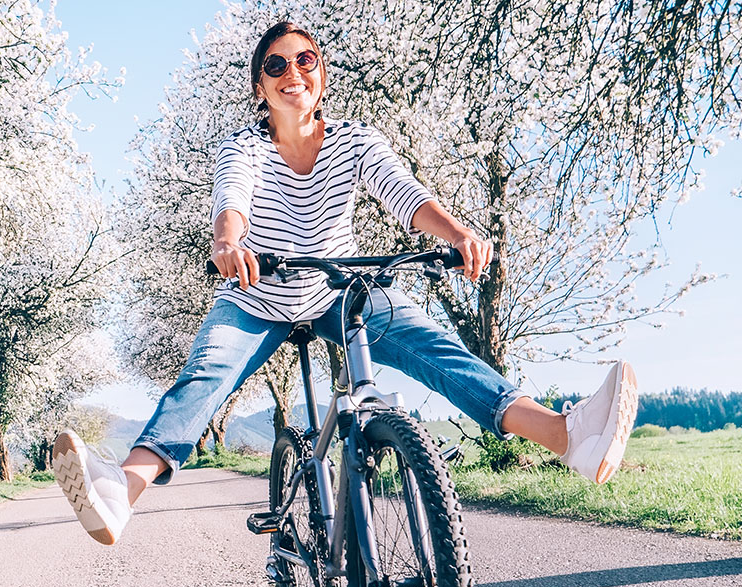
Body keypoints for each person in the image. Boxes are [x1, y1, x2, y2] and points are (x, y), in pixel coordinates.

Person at [52, 22, 638, 546]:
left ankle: (566, 436)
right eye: (276, 65)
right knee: (205, 374)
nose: (292, 73)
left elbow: (404, 193)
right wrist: (228, 243)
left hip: (338, 290)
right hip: (258, 296)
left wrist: (458, 233)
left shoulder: (355, 141)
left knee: (437, 349)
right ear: (260, 87)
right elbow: (231, 202)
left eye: (305, 60)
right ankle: (121, 492)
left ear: (322, 76)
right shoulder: (246, 148)